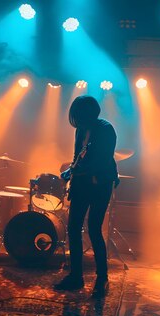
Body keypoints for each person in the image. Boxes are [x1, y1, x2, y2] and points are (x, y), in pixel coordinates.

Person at [54, 95, 118, 298]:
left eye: (78, 116)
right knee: (73, 228)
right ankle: (76, 276)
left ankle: (102, 278)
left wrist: (74, 173)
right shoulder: (81, 129)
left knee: (94, 229)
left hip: (101, 184)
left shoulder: (106, 130)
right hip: (82, 184)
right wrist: (70, 172)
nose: (75, 121)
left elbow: (99, 162)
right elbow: (77, 157)